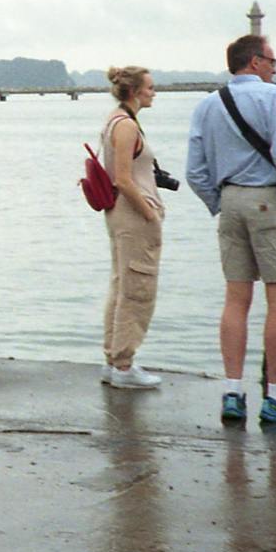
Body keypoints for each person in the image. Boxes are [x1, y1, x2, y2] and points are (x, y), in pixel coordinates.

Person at [186, 34, 276, 425]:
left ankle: (232, 392)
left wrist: (220, 202)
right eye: (273, 61)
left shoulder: (208, 104)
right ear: (255, 62)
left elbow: (195, 172)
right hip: (270, 200)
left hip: (230, 202)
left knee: (235, 300)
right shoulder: (274, 97)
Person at [99, 65, 164, 390]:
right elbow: (123, 179)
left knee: (122, 283)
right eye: (150, 87)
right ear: (134, 91)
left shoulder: (115, 120)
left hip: (119, 215)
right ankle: (124, 364)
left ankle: (114, 360)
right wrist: (149, 214)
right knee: (137, 289)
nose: (154, 92)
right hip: (133, 217)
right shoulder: (126, 126)